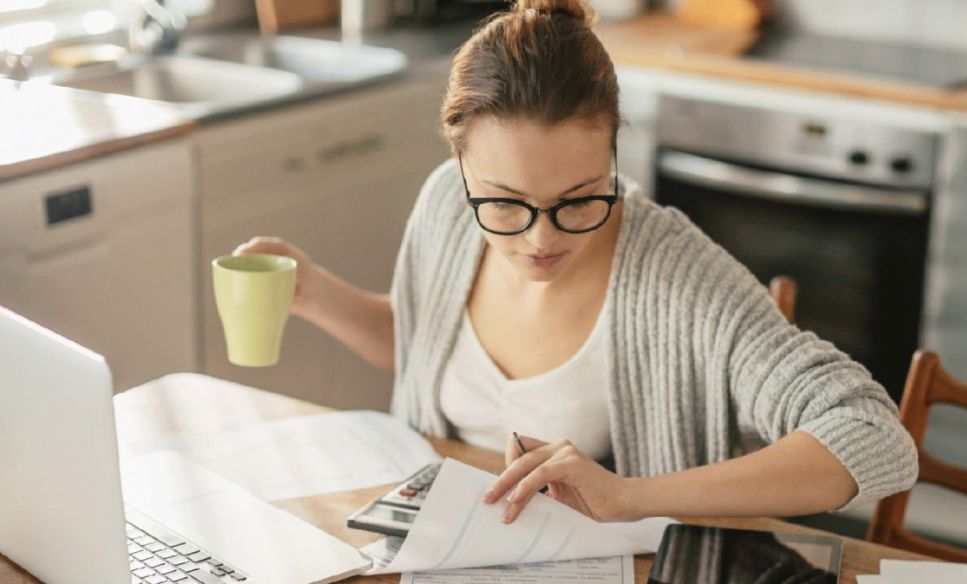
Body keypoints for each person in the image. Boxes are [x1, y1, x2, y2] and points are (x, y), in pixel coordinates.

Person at [232, 0, 917, 525]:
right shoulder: (445, 204)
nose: (539, 239)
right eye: (504, 204)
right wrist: (313, 292)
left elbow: (872, 437)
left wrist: (628, 497)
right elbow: (421, 344)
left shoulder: (675, 279)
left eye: (579, 199)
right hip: (442, 539)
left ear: (614, 157)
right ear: (459, 163)